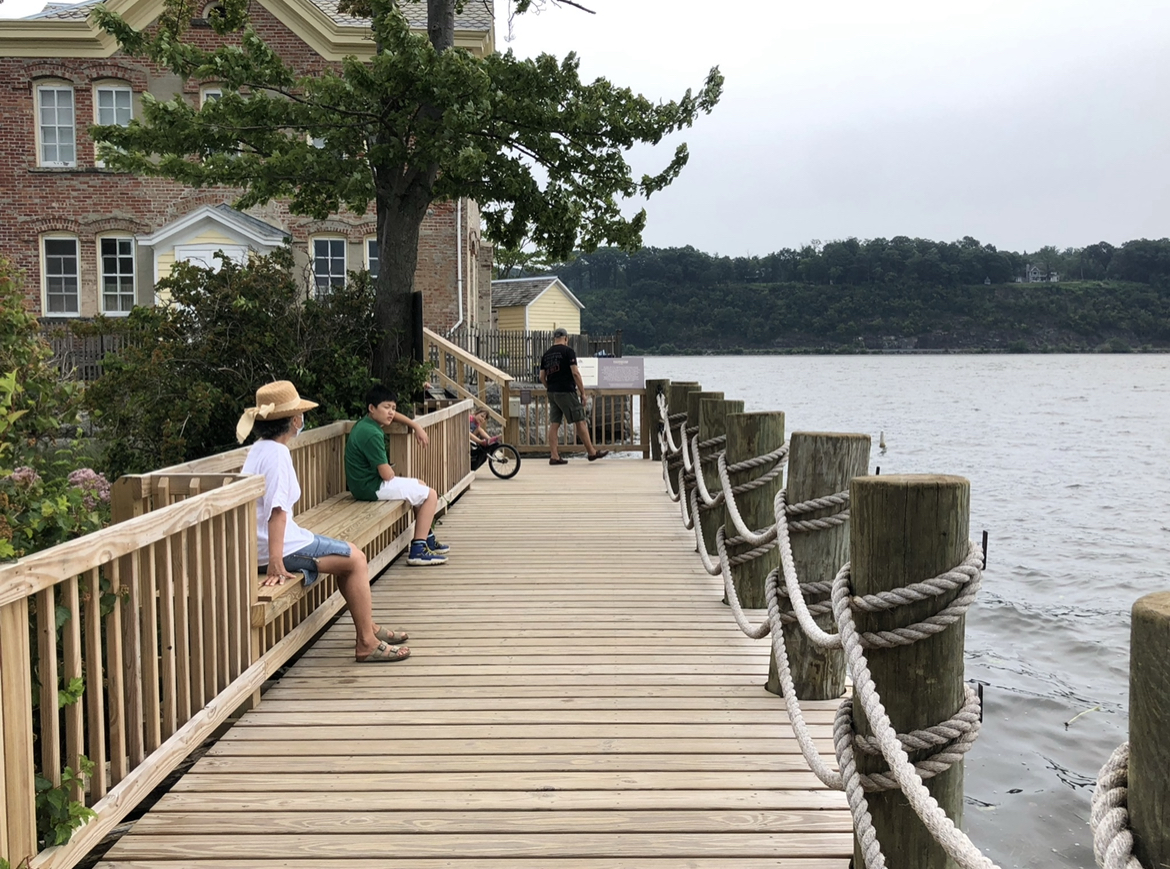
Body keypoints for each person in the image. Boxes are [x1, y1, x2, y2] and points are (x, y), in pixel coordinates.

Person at [237, 380, 409, 663]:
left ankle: (369, 627)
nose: (302, 420)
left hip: (263, 544)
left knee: (349, 553)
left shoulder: (259, 448)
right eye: (300, 415)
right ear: (294, 420)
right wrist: (275, 562)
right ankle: (366, 642)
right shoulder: (277, 454)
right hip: (276, 548)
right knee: (356, 560)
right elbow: (277, 511)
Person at [345, 384, 449, 566]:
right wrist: (390, 469)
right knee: (430, 495)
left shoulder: (366, 423)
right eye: (386, 407)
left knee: (421, 485)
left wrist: (415, 425)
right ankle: (418, 551)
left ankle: (426, 538)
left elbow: (392, 416)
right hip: (371, 487)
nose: (391, 412)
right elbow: (387, 475)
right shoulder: (372, 433)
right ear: (372, 408)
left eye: (393, 408)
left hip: (364, 484)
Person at [539, 327, 608, 465]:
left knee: (554, 424)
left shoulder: (546, 354)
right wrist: (583, 393)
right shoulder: (568, 351)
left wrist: (550, 387)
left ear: (554, 338)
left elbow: (541, 377)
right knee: (580, 420)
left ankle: (554, 456)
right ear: (566, 338)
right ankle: (592, 452)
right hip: (566, 391)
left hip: (552, 392)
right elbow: (575, 373)